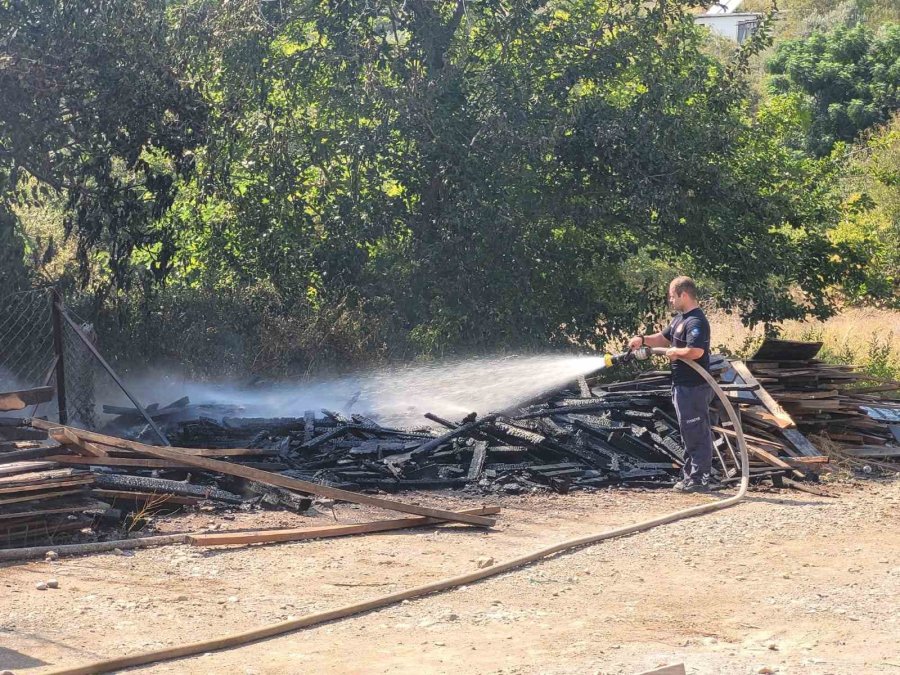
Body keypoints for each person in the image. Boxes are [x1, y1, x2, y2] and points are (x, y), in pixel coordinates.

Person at [628, 276, 718, 493]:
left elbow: (696, 352)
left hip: (694, 387)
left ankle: (700, 479)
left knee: (696, 432)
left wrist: (676, 352)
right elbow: (662, 338)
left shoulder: (696, 321)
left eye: (672, 296)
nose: (670, 300)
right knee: (688, 432)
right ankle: (690, 477)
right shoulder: (680, 320)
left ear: (683, 295)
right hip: (681, 386)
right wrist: (642, 339)